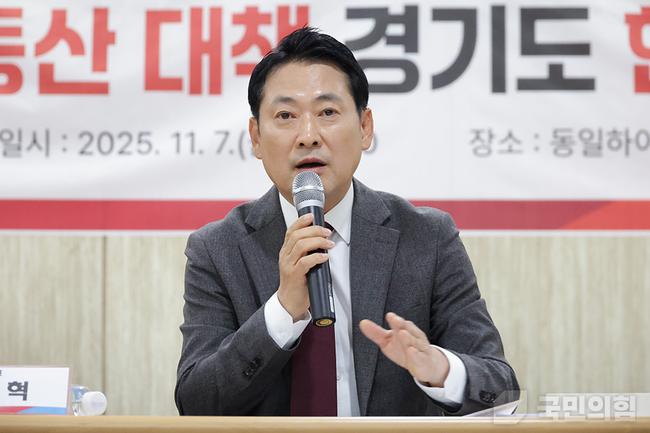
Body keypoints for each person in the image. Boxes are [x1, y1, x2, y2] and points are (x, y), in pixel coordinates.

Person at [175, 27, 518, 416]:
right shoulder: (218, 249)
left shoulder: (427, 238)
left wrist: (440, 370)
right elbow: (196, 402)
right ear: (255, 137)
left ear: (365, 127)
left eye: (327, 112)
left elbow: (501, 390)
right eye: (286, 115)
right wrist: (283, 311)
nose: (308, 136)